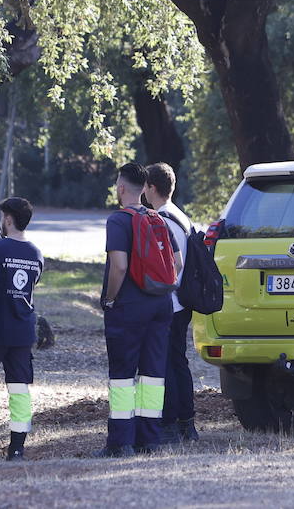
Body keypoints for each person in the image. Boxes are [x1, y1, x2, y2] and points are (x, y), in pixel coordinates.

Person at [97, 162, 179, 458]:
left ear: (121, 188)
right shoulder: (158, 218)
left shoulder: (118, 221)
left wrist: (109, 298)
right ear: (144, 188)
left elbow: (119, 265)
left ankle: (120, 442)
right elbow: (177, 265)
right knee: (153, 373)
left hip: (129, 307)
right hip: (160, 305)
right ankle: (150, 439)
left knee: (122, 374)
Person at [0, 197, 43, 460]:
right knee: (19, 389)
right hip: (23, 330)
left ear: (7, 219)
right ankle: (17, 447)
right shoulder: (36, 253)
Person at [144, 162, 199, 444]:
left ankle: (169, 424)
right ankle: (187, 424)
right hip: (184, 300)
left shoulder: (161, 220)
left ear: (151, 188)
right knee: (178, 361)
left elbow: (164, 266)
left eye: (145, 185)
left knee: (165, 364)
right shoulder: (182, 216)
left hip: (171, 301)